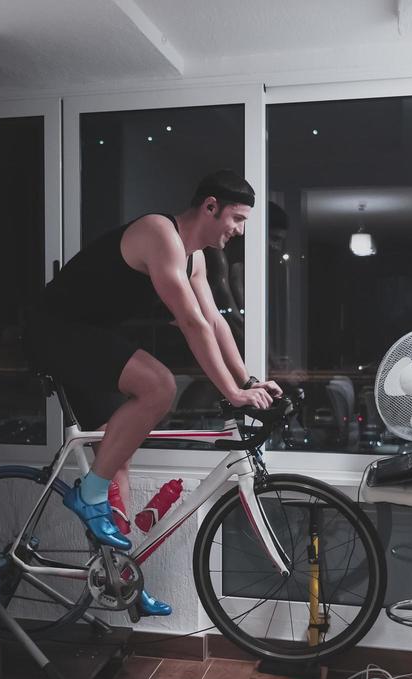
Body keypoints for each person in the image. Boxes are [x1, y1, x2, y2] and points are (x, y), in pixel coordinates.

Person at [25, 170, 282, 616]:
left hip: (89, 336)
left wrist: (246, 381)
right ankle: (87, 494)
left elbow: (216, 322)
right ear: (210, 207)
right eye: (237, 219)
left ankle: (118, 573)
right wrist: (233, 394)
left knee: (117, 455)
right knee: (159, 385)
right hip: (56, 331)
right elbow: (191, 322)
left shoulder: (195, 258)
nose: (238, 231)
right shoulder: (158, 233)